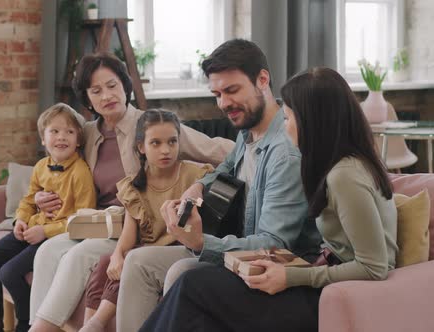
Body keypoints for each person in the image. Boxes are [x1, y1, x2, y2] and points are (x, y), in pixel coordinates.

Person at [141, 67, 399, 332]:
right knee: (197, 291)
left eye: (287, 118)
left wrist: (291, 276)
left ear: (313, 121)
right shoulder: (340, 165)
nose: (284, 129)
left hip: (329, 296)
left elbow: (374, 267)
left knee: (193, 285)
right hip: (320, 282)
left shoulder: (345, 176)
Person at [115, 38, 322, 331]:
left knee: (182, 272)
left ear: (263, 79)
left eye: (232, 90)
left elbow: (274, 245)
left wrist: (201, 243)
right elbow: (226, 166)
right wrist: (198, 186)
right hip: (236, 244)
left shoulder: (285, 153)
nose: (224, 103)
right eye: (217, 93)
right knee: (138, 262)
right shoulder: (249, 131)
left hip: (270, 264)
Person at [28, 52, 234, 332]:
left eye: (112, 86)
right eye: (96, 91)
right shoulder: (87, 133)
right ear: (87, 99)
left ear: (125, 86)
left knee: (79, 255)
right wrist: (40, 195)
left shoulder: (150, 126)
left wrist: (250, 148)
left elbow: (214, 150)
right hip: (93, 223)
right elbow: (56, 163)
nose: (106, 96)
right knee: (48, 250)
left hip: (131, 227)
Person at [79, 110, 213, 332]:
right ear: (141, 147)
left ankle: (98, 322)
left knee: (133, 259)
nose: (166, 150)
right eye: (156, 143)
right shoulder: (135, 185)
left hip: (182, 250)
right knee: (106, 262)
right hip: (149, 251)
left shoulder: (195, 176)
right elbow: (129, 234)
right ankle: (90, 324)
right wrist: (117, 254)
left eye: (172, 142)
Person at [0, 103, 96, 332]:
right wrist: (20, 220)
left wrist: (45, 231)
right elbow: (29, 200)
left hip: (55, 237)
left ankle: (26, 325)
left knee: (9, 272)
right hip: (30, 229)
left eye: (69, 132)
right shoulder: (41, 166)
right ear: (43, 138)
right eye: (54, 131)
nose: (62, 137)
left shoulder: (81, 173)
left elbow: (83, 219)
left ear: (78, 140)